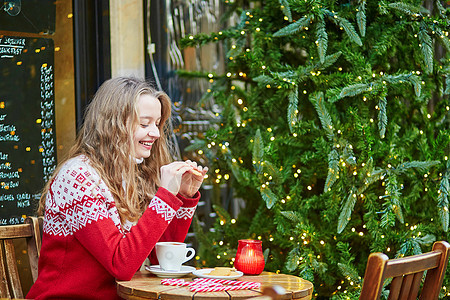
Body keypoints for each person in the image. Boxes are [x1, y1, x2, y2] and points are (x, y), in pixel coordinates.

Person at [27, 77, 208, 299]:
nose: (156, 133)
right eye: (144, 124)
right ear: (114, 124)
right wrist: (165, 197)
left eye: (157, 123)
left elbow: (160, 258)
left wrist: (183, 195)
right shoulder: (77, 177)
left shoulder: (132, 174)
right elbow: (120, 264)